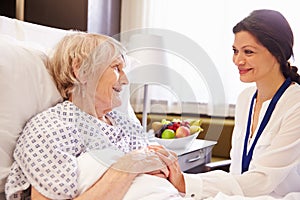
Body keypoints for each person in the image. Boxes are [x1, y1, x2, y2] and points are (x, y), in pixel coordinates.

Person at [4, 32, 173, 200]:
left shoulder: (123, 122)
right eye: (116, 68)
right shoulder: (50, 128)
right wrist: (127, 167)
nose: (125, 80)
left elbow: (161, 173)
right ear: (82, 70)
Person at [157, 9, 300, 199]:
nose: (237, 60)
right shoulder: (245, 99)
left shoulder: (295, 104)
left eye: (248, 52)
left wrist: (187, 182)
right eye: (235, 51)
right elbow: (237, 168)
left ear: (278, 52)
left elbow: (264, 179)